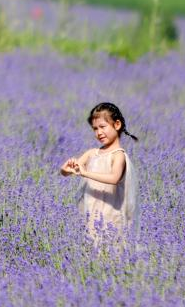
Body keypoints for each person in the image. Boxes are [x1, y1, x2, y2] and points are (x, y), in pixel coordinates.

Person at [59, 102, 139, 240]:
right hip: (91, 210)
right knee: (91, 242)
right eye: (95, 129)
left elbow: (114, 178)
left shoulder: (118, 155)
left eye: (102, 127)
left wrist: (85, 173)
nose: (99, 132)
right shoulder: (92, 153)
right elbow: (72, 171)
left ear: (117, 125)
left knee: (111, 245)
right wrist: (65, 170)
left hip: (111, 212)